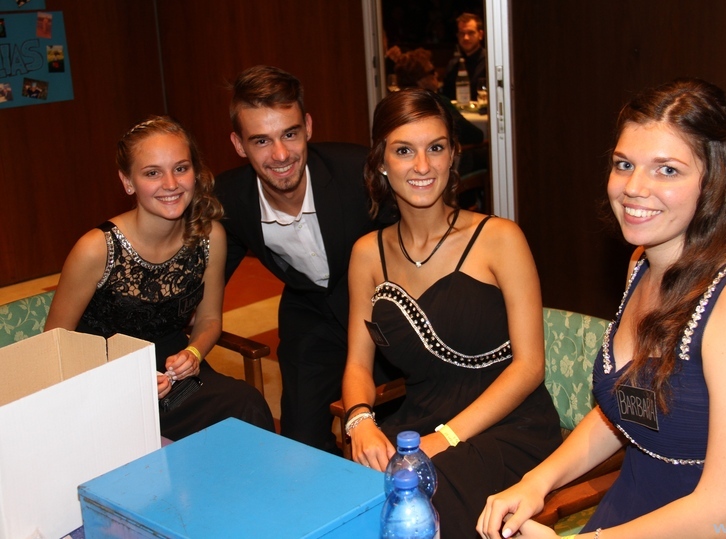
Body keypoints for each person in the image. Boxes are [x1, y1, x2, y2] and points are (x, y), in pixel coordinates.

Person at [478, 79, 726, 539]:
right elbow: (628, 406)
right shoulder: (641, 264)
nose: (634, 187)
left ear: (718, 181)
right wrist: (536, 481)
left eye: (667, 170)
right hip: (634, 507)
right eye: (624, 164)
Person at [342, 88, 562, 539]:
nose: (423, 166)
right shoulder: (367, 254)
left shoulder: (500, 239)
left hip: (508, 428)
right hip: (417, 426)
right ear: (381, 161)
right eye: (404, 150)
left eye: (436, 148)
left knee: (415, 511)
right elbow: (358, 365)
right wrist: (360, 420)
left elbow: (529, 367)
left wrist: (446, 437)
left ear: (453, 155)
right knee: (348, 504)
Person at [45, 116, 275, 441]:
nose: (171, 184)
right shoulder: (96, 249)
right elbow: (54, 345)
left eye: (181, 168)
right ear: (128, 181)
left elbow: (209, 320)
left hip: (173, 376)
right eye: (152, 173)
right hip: (102, 383)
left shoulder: (209, 237)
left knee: (245, 404)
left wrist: (194, 354)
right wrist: (123, 381)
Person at [214, 65, 391, 453]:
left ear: (308, 127)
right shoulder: (229, 197)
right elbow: (211, 274)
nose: (280, 155)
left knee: (394, 436)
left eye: (290, 134)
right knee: (300, 448)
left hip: (380, 310)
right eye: (261, 141)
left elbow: (413, 241)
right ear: (239, 144)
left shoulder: (358, 172)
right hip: (310, 314)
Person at [395, 47, 484, 148]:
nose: (436, 74)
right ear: (420, 79)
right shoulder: (437, 103)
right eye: (432, 72)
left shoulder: (397, 103)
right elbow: (475, 135)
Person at [442, 12, 487, 102]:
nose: (466, 38)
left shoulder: (488, 62)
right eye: (462, 33)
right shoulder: (453, 65)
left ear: (480, 35)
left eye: (471, 33)